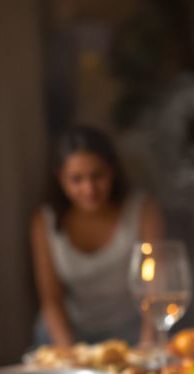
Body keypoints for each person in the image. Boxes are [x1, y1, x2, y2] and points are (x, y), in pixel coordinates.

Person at [30, 125, 164, 347]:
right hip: (67, 333)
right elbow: (51, 299)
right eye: (76, 179)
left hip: (130, 330)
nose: (89, 188)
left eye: (97, 175)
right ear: (60, 179)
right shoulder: (44, 222)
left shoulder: (143, 211)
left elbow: (155, 288)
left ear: (112, 171)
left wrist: (147, 346)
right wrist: (70, 355)